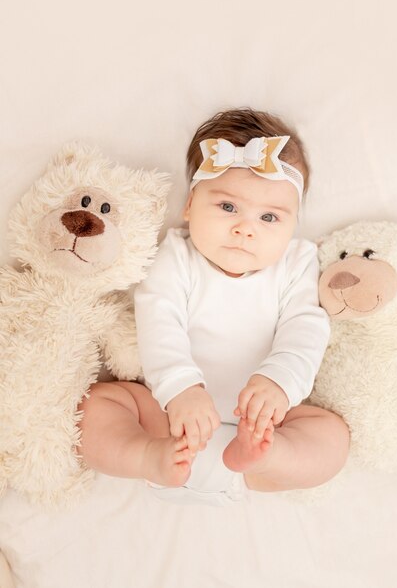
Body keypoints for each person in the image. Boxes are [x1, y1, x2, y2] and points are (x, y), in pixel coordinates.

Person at [77, 108, 350, 504]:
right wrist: (181, 388)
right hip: (167, 420)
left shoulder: (297, 263)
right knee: (95, 407)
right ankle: (144, 456)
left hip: (263, 423)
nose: (245, 228)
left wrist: (280, 381)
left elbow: (306, 329)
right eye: (227, 207)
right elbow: (160, 321)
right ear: (189, 206)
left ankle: (268, 456)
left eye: (270, 217)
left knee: (332, 440)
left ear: (293, 225)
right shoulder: (176, 255)